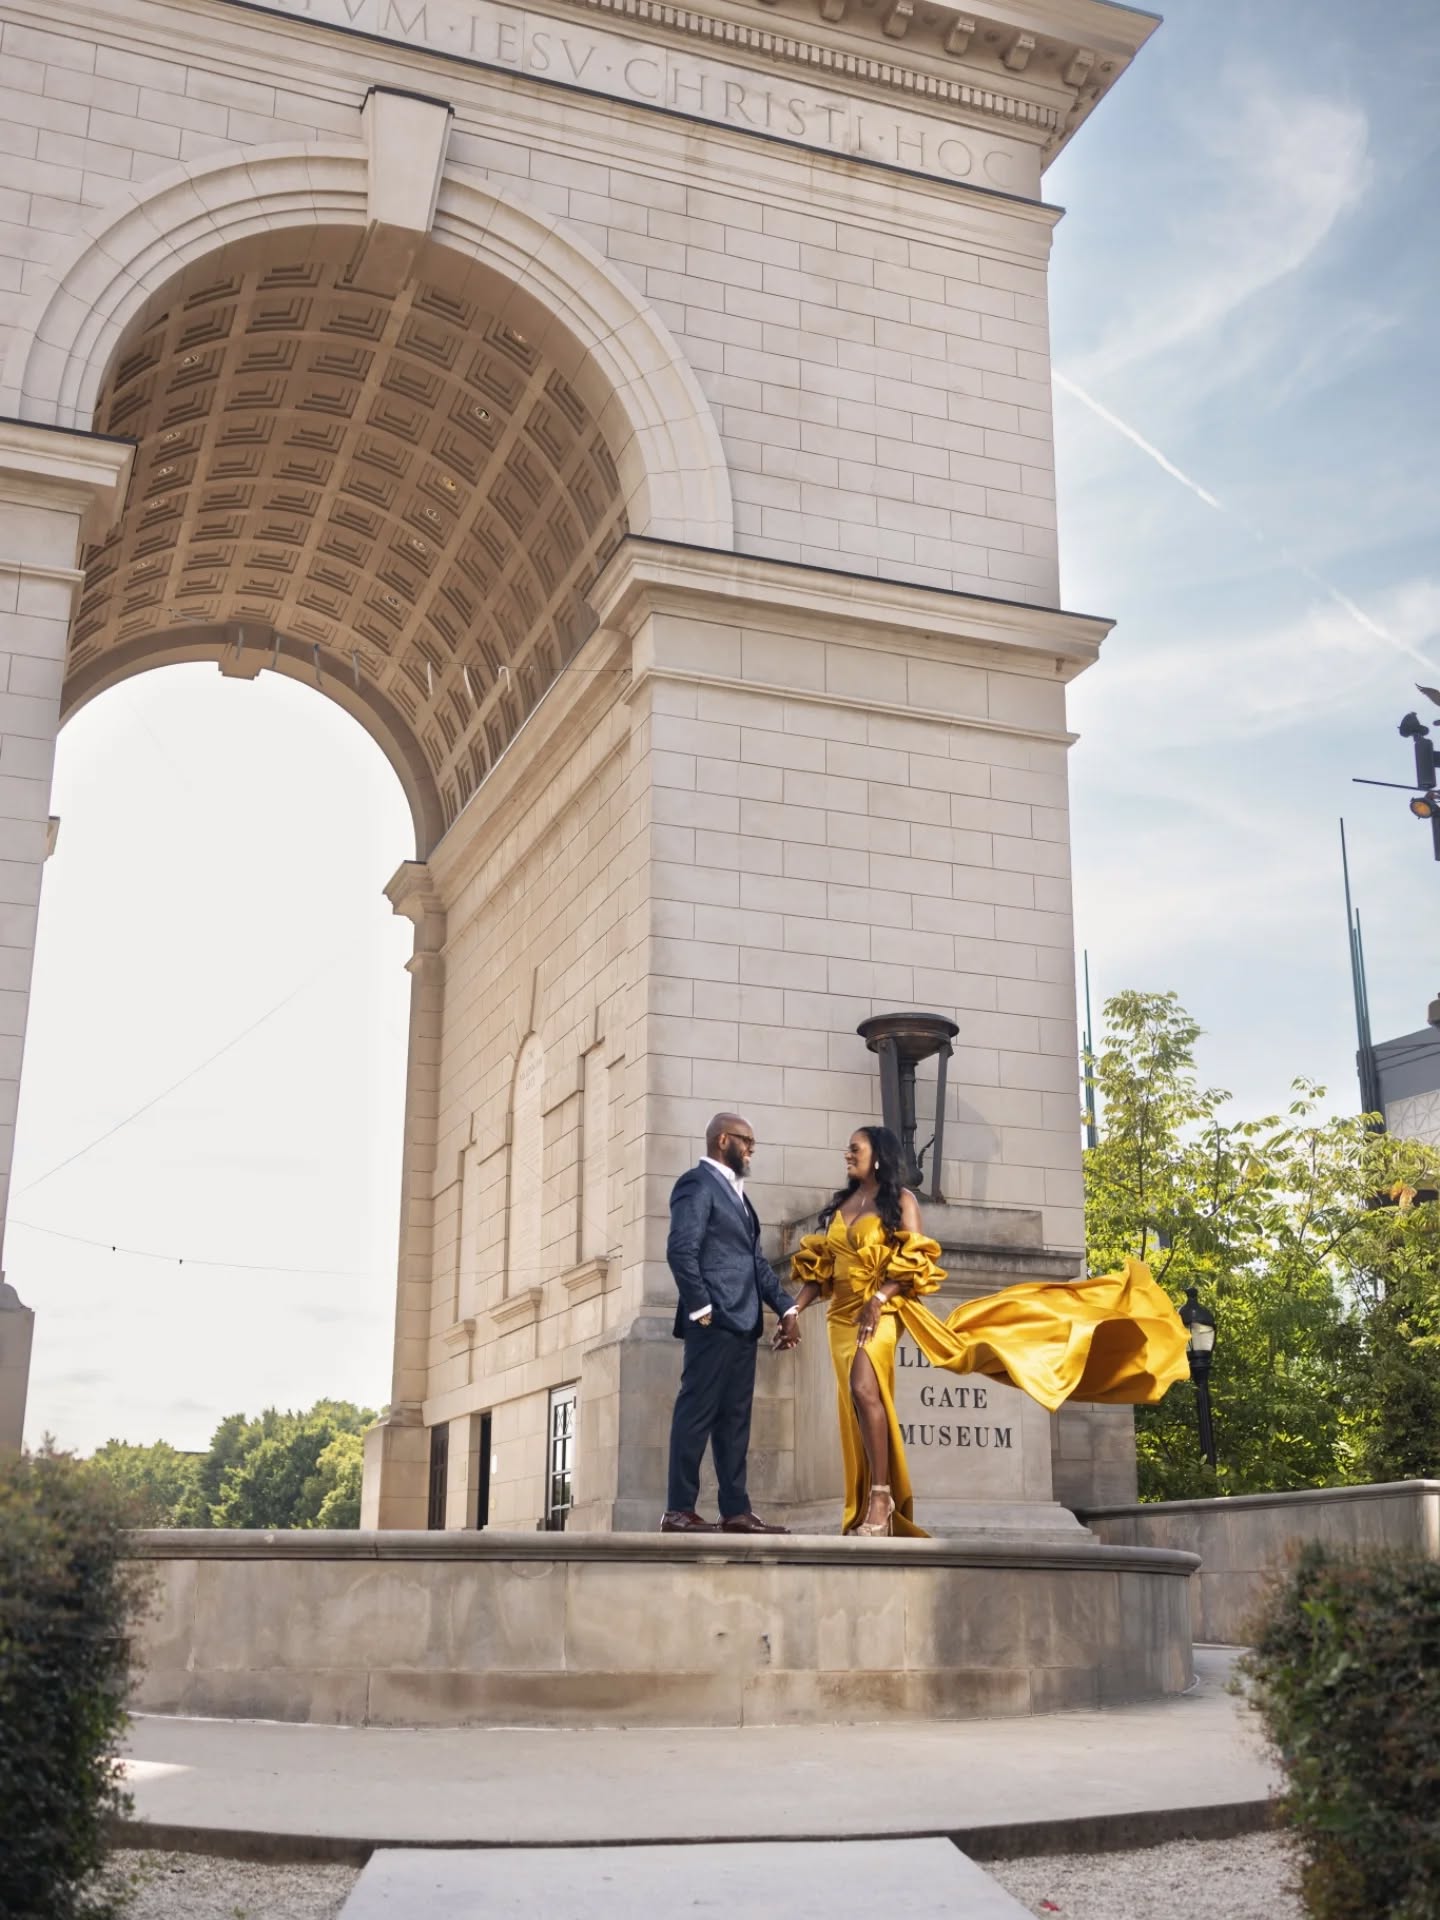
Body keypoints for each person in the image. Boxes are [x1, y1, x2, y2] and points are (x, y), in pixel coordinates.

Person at [783, 1125, 1189, 1537]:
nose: (847, 1154)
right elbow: (821, 1271)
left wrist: (879, 1298)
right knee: (856, 1403)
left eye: (855, 1149)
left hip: (881, 1313)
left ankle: (881, 1496)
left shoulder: (901, 1201)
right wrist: (794, 1309)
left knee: (865, 1389)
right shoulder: (842, 1205)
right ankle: (872, 1497)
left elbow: (916, 1262)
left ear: (878, 1156)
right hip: (840, 1317)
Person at [661, 1112, 799, 1534]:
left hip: (743, 1322)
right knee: (696, 1413)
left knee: (735, 1421)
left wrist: (787, 1308)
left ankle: (735, 1510)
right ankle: (678, 1510)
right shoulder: (695, 1184)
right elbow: (680, 1249)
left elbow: (755, 1263)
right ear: (723, 1141)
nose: (752, 1150)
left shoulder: (739, 1195)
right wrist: (701, 1307)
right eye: (746, 1141)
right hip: (713, 1321)